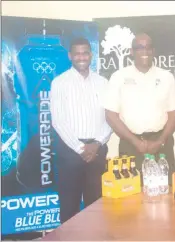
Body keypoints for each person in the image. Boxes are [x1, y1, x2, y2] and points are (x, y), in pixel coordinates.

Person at [50, 37, 112, 224]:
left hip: (97, 150)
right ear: (70, 56)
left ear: (91, 55)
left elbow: (110, 117)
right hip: (70, 152)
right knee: (70, 207)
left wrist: (97, 144)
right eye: (77, 53)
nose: (81, 57)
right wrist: (80, 148)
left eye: (85, 52)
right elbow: (58, 121)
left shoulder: (103, 82)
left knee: (97, 206)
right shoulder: (59, 83)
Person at [104, 33, 175, 186]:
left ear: (153, 51)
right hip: (130, 144)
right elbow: (111, 115)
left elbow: (174, 114)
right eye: (139, 48)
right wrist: (135, 142)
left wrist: (159, 141)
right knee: (131, 195)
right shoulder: (118, 77)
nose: (144, 51)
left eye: (148, 47)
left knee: (166, 193)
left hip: (162, 144)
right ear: (132, 51)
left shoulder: (166, 77)